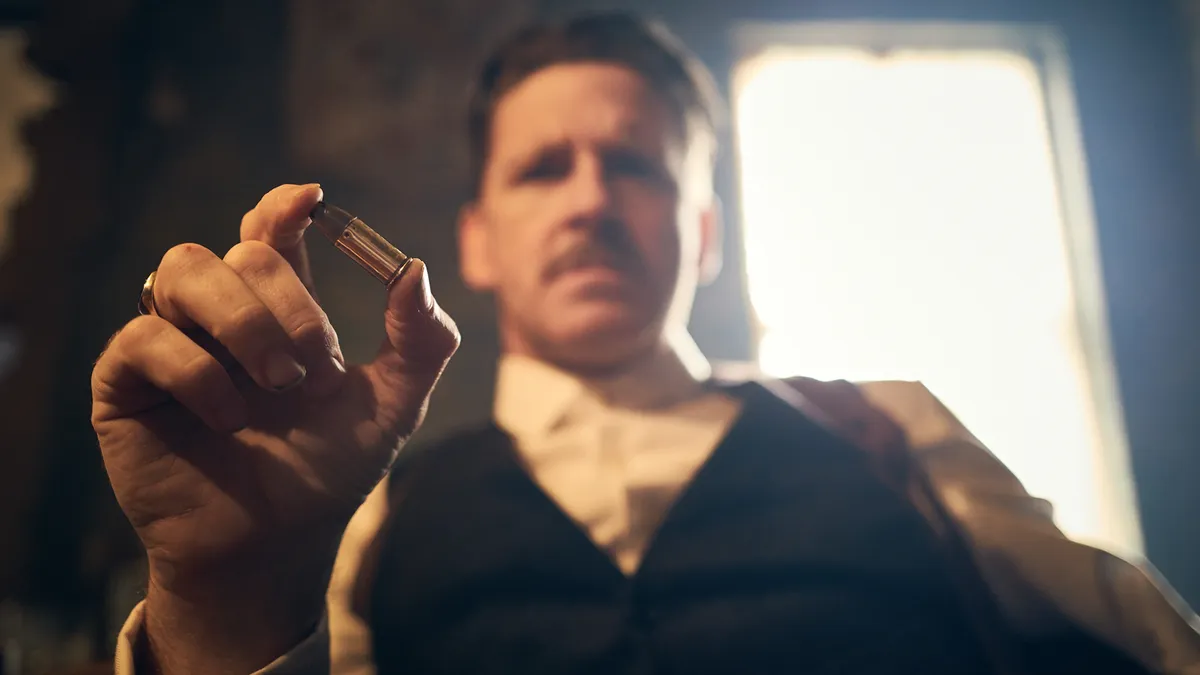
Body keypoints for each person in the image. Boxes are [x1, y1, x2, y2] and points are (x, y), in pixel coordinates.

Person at [92, 11, 1200, 675]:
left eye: (634, 166)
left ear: (703, 230)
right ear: (477, 238)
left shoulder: (886, 428)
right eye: (543, 169)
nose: (590, 202)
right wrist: (224, 607)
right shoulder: (372, 521)